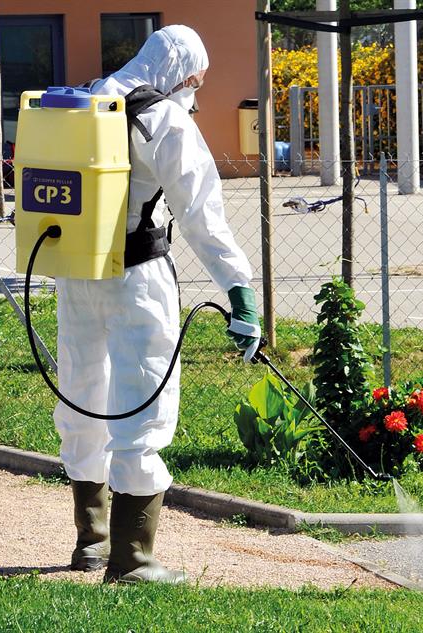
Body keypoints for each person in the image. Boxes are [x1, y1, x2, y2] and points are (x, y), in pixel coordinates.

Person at [55, 25, 259, 584]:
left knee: (82, 397)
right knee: (143, 405)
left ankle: (91, 541)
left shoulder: (83, 101)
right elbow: (202, 215)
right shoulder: (164, 119)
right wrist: (239, 291)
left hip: (76, 274)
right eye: (197, 81)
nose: (197, 91)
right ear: (183, 75)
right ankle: (133, 557)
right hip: (137, 279)